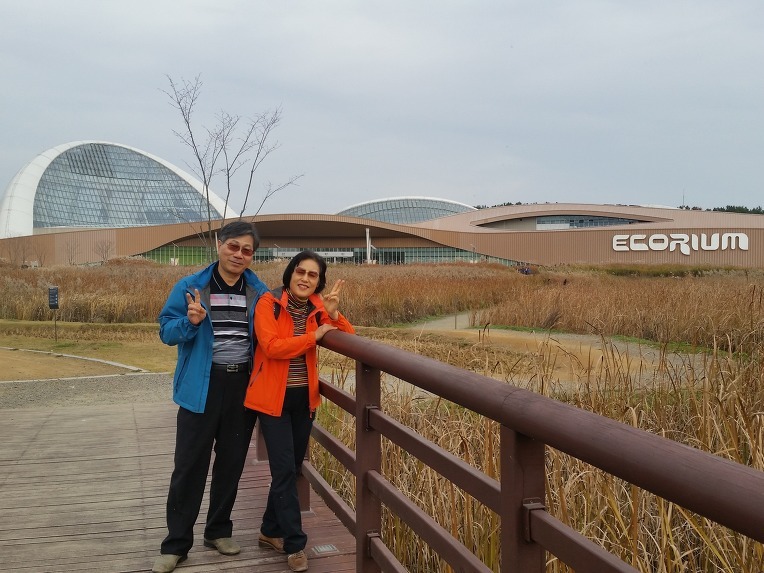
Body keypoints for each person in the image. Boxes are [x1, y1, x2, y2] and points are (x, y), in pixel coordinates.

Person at [152, 221, 269, 573]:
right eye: (233, 246)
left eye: (247, 250)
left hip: (241, 387)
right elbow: (166, 332)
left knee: (231, 463)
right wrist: (189, 322)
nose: (239, 255)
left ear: (252, 256)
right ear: (220, 243)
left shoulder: (260, 292)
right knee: (189, 466)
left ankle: (218, 531)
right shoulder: (191, 287)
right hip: (201, 387)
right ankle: (176, 544)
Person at [244, 250, 354, 572]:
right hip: (272, 401)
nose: (305, 278)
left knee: (290, 469)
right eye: (301, 272)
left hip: (304, 401)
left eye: (313, 275)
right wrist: (312, 336)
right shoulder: (268, 303)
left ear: (319, 282)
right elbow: (272, 346)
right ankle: (295, 544)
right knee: (283, 471)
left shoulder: (317, 309)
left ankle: (269, 530)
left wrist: (333, 315)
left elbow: (350, 340)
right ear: (290, 273)